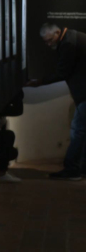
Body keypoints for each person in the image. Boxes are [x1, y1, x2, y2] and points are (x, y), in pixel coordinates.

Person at [27, 22, 86, 180]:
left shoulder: (68, 44)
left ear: (57, 33)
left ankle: (72, 170)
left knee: (78, 130)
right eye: (45, 42)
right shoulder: (73, 36)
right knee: (81, 130)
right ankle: (81, 167)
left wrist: (39, 82)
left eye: (49, 40)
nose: (48, 44)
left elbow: (62, 72)